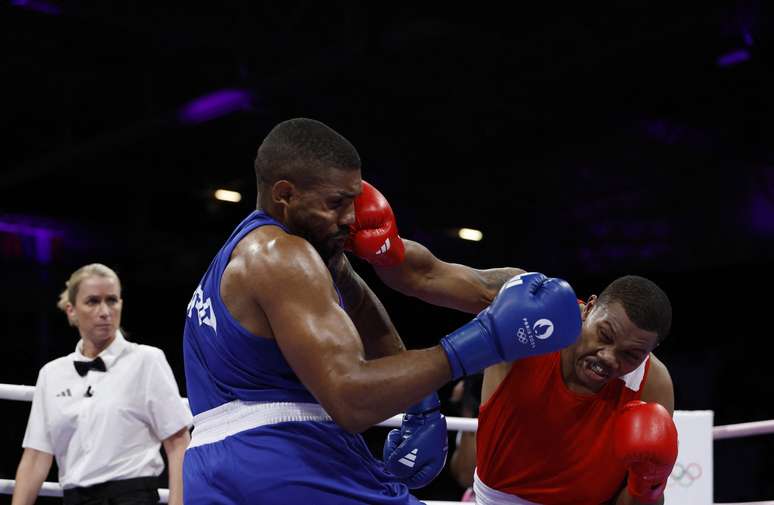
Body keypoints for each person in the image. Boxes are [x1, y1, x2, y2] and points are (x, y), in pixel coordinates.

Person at [181, 117, 583, 505]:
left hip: (214, 470)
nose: (351, 218)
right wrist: (482, 341)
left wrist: (421, 402)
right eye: (336, 203)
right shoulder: (284, 256)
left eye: (354, 201)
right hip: (283, 459)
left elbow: (359, 302)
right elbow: (350, 400)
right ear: (284, 195)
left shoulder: (249, 254)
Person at [347, 183, 678, 505]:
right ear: (590, 307)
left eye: (630, 354)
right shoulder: (531, 305)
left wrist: (647, 485)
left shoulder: (652, 382)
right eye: (605, 335)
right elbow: (429, 276)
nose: (608, 358)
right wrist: (386, 247)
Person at [12, 263, 192, 505]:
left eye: (112, 300)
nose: (105, 311)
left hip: (132, 496)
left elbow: (179, 442)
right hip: (76, 498)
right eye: (93, 301)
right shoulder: (52, 374)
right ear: (71, 311)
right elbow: (36, 457)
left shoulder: (146, 361)